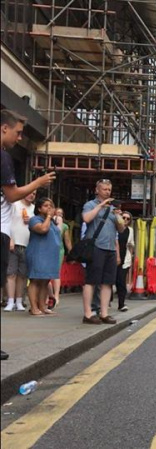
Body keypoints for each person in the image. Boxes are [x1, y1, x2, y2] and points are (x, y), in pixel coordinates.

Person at [1, 109, 56, 359]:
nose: (20, 138)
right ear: (4, 128)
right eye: (18, 132)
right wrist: (38, 182)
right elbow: (12, 195)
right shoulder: (3, 157)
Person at [81, 179, 125, 325]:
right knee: (91, 281)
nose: (107, 192)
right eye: (104, 189)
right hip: (96, 247)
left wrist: (118, 216)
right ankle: (88, 313)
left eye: (109, 189)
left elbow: (121, 229)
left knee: (107, 282)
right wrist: (100, 206)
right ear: (97, 190)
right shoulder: (90, 205)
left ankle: (104, 313)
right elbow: (86, 218)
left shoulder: (112, 209)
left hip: (110, 248)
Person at [26, 197, 62, 316]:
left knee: (45, 281)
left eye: (51, 206)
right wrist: (48, 217)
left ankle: (42, 306)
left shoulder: (53, 222)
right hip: (38, 253)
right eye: (46, 206)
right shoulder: (34, 219)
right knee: (35, 280)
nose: (49, 208)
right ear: (39, 208)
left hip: (50, 254)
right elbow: (42, 229)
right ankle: (34, 307)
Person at [4, 190, 35, 312]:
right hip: (14, 242)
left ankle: (19, 300)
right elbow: (7, 222)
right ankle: (10, 301)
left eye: (34, 193)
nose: (32, 195)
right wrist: (10, 239)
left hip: (28, 244)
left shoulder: (34, 208)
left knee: (22, 275)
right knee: (11, 273)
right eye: (30, 192)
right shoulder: (15, 205)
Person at [49, 207, 72, 309]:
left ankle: (56, 295)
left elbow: (67, 240)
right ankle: (48, 295)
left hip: (59, 250)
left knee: (56, 273)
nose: (58, 215)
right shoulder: (48, 223)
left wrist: (71, 252)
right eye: (57, 213)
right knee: (47, 272)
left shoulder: (65, 226)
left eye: (61, 214)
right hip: (48, 249)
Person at [115, 211, 134, 312]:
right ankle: (106, 302)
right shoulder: (114, 228)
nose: (125, 220)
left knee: (121, 282)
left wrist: (130, 258)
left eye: (128, 219)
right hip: (112, 258)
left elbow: (131, 244)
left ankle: (121, 304)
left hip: (124, 259)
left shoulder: (130, 231)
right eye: (124, 217)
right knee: (110, 281)